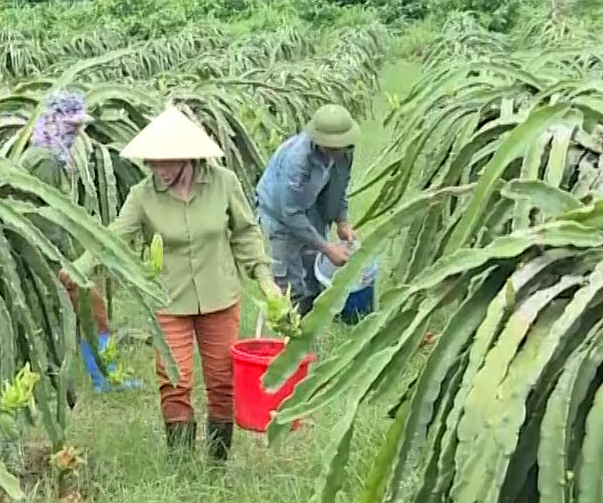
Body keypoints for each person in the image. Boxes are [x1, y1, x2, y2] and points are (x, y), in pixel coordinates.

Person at [77, 106, 280, 458]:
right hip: (168, 299)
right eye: (153, 162)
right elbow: (114, 236)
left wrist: (265, 279)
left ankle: (217, 464)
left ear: (189, 157)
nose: (159, 168)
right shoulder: (143, 195)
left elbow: (246, 234)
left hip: (220, 296)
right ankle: (182, 465)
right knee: (175, 380)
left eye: (167, 161)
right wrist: (80, 265)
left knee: (221, 381)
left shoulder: (223, 183)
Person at [19, 91, 123, 393]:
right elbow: (45, 215)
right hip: (50, 254)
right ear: (54, 123)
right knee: (93, 311)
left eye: (78, 129)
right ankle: (106, 378)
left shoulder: (40, 154)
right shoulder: (45, 161)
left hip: (42, 252)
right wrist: (65, 261)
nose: (76, 134)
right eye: (70, 127)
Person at [254, 103, 360, 316]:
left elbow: (340, 187)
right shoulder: (297, 159)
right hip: (280, 213)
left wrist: (342, 221)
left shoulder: (345, 152)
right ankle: (289, 327)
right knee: (289, 275)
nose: (336, 152)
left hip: (313, 205)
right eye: (330, 147)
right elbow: (290, 213)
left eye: (339, 146)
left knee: (313, 268)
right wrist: (329, 249)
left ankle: (310, 320)